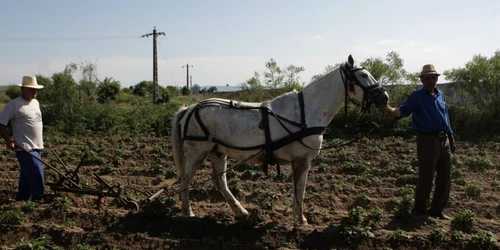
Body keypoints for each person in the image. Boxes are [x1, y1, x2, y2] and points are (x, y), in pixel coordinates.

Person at [380, 64, 456, 220]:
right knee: (426, 176)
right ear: (422, 80)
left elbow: (445, 118)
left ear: (436, 78)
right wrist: (385, 107)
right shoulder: (416, 96)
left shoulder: (440, 95)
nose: (430, 80)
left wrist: (451, 138)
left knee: (445, 176)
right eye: (426, 78)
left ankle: (437, 210)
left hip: (444, 140)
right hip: (427, 140)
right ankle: (419, 210)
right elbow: (400, 112)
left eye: (433, 77)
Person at [0, 76, 45, 201]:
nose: (35, 92)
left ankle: (22, 198)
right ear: (24, 89)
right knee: (37, 172)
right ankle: (38, 199)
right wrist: (9, 141)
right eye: (32, 90)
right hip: (24, 147)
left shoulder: (36, 103)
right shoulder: (14, 105)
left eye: (36, 90)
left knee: (26, 174)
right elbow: (1, 124)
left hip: (37, 146)